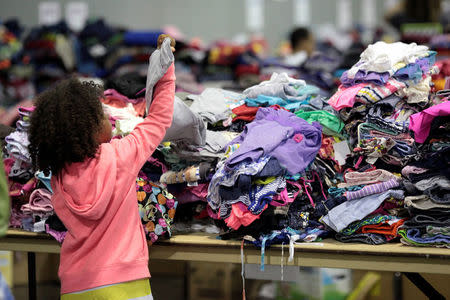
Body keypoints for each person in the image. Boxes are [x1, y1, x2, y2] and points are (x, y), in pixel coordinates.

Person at [28, 35, 176, 300]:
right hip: (125, 284)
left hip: (75, 287)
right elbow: (159, 119)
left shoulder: (59, 176)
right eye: (102, 115)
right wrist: (165, 65)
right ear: (90, 129)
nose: (109, 117)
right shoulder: (120, 156)